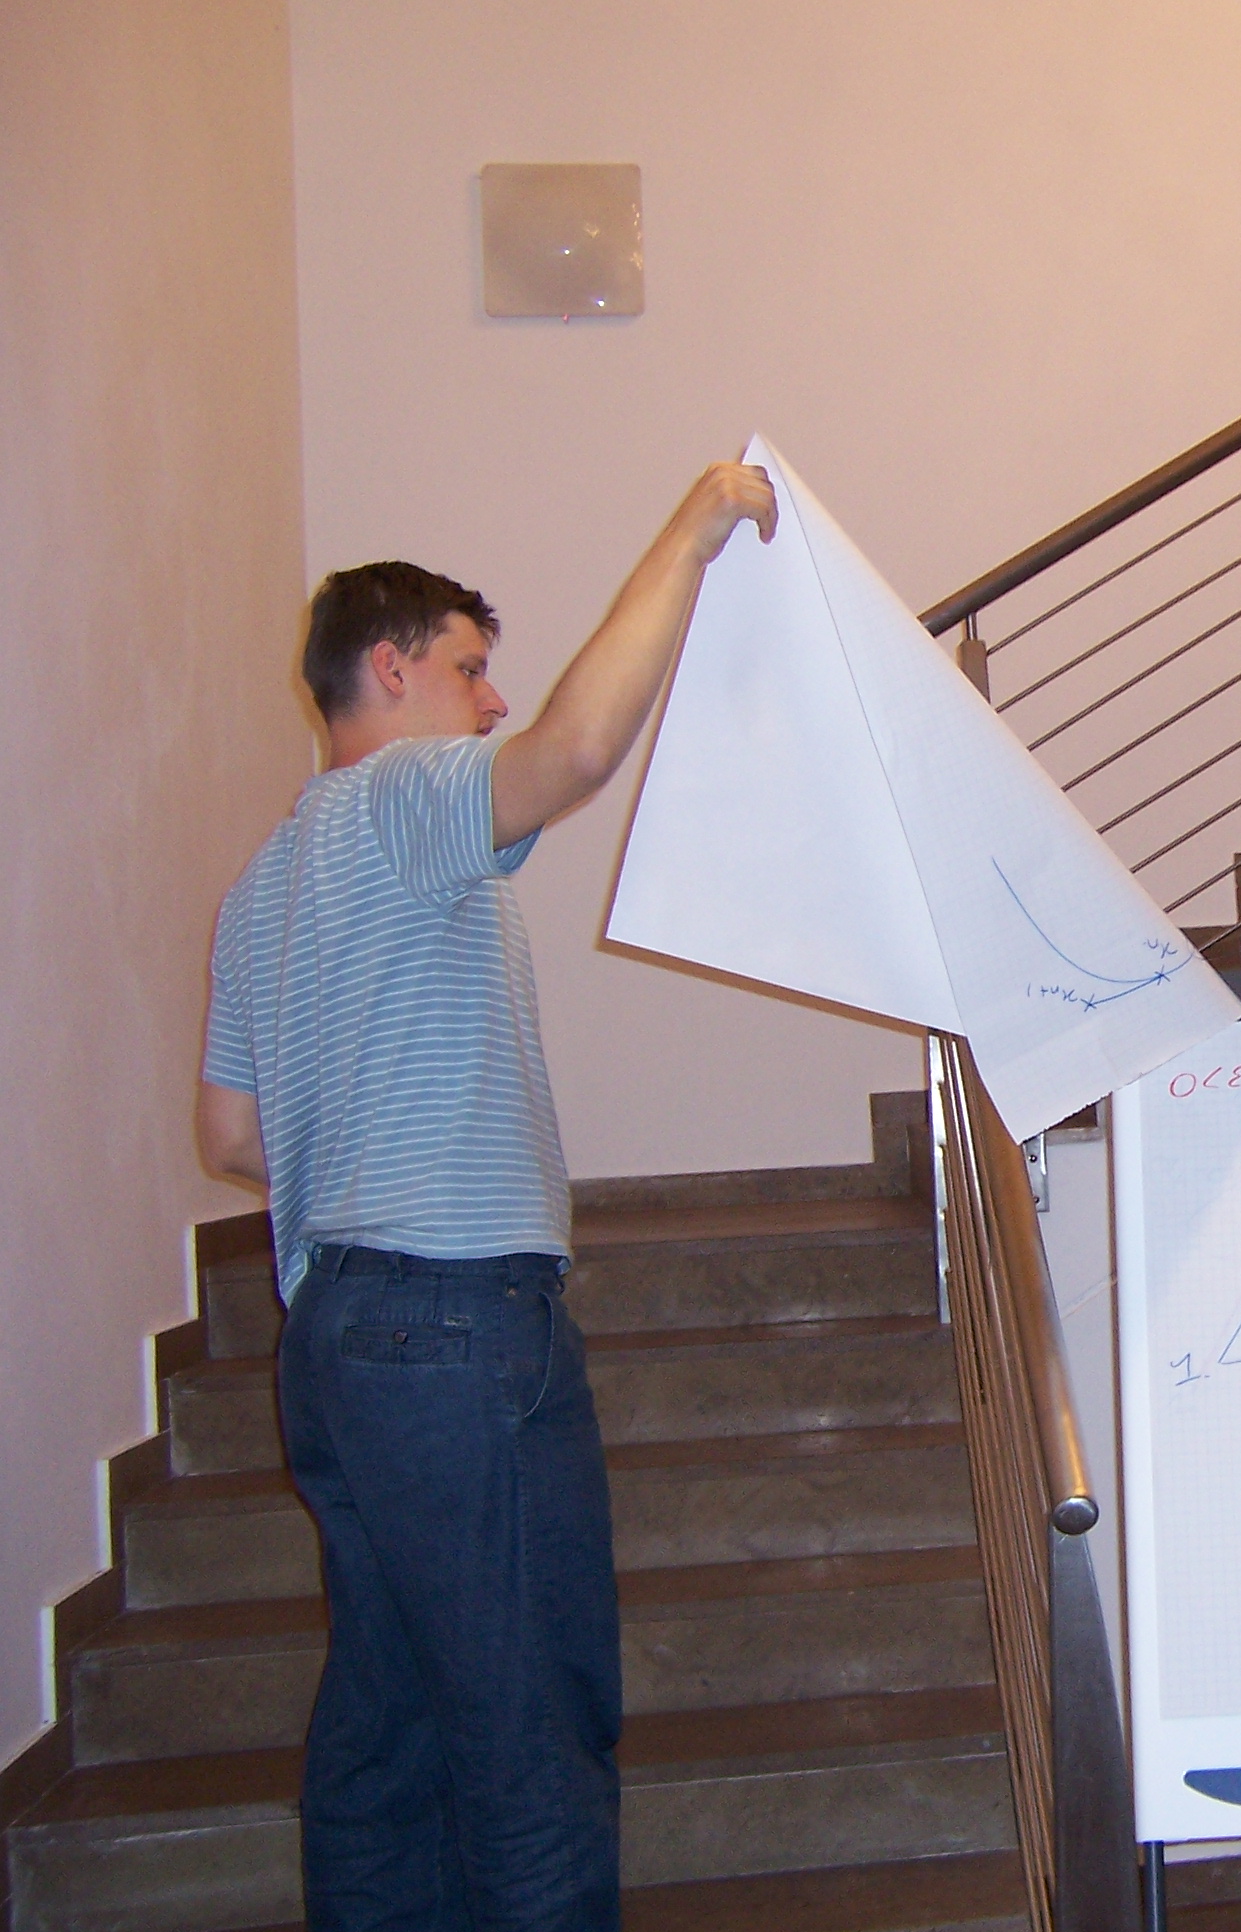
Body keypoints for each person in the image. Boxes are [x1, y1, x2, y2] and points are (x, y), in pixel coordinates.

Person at [197, 461, 777, 1931]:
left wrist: (373, 1142)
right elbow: (575, 749)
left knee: (386, 1734)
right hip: (455, 1335)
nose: (491, 700)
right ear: (389, 672)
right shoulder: (398, 796)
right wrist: (696, 527)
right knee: (529, 1736)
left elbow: (232, 1134)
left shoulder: (260, 886)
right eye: (468, 669)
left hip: (338, 1346)